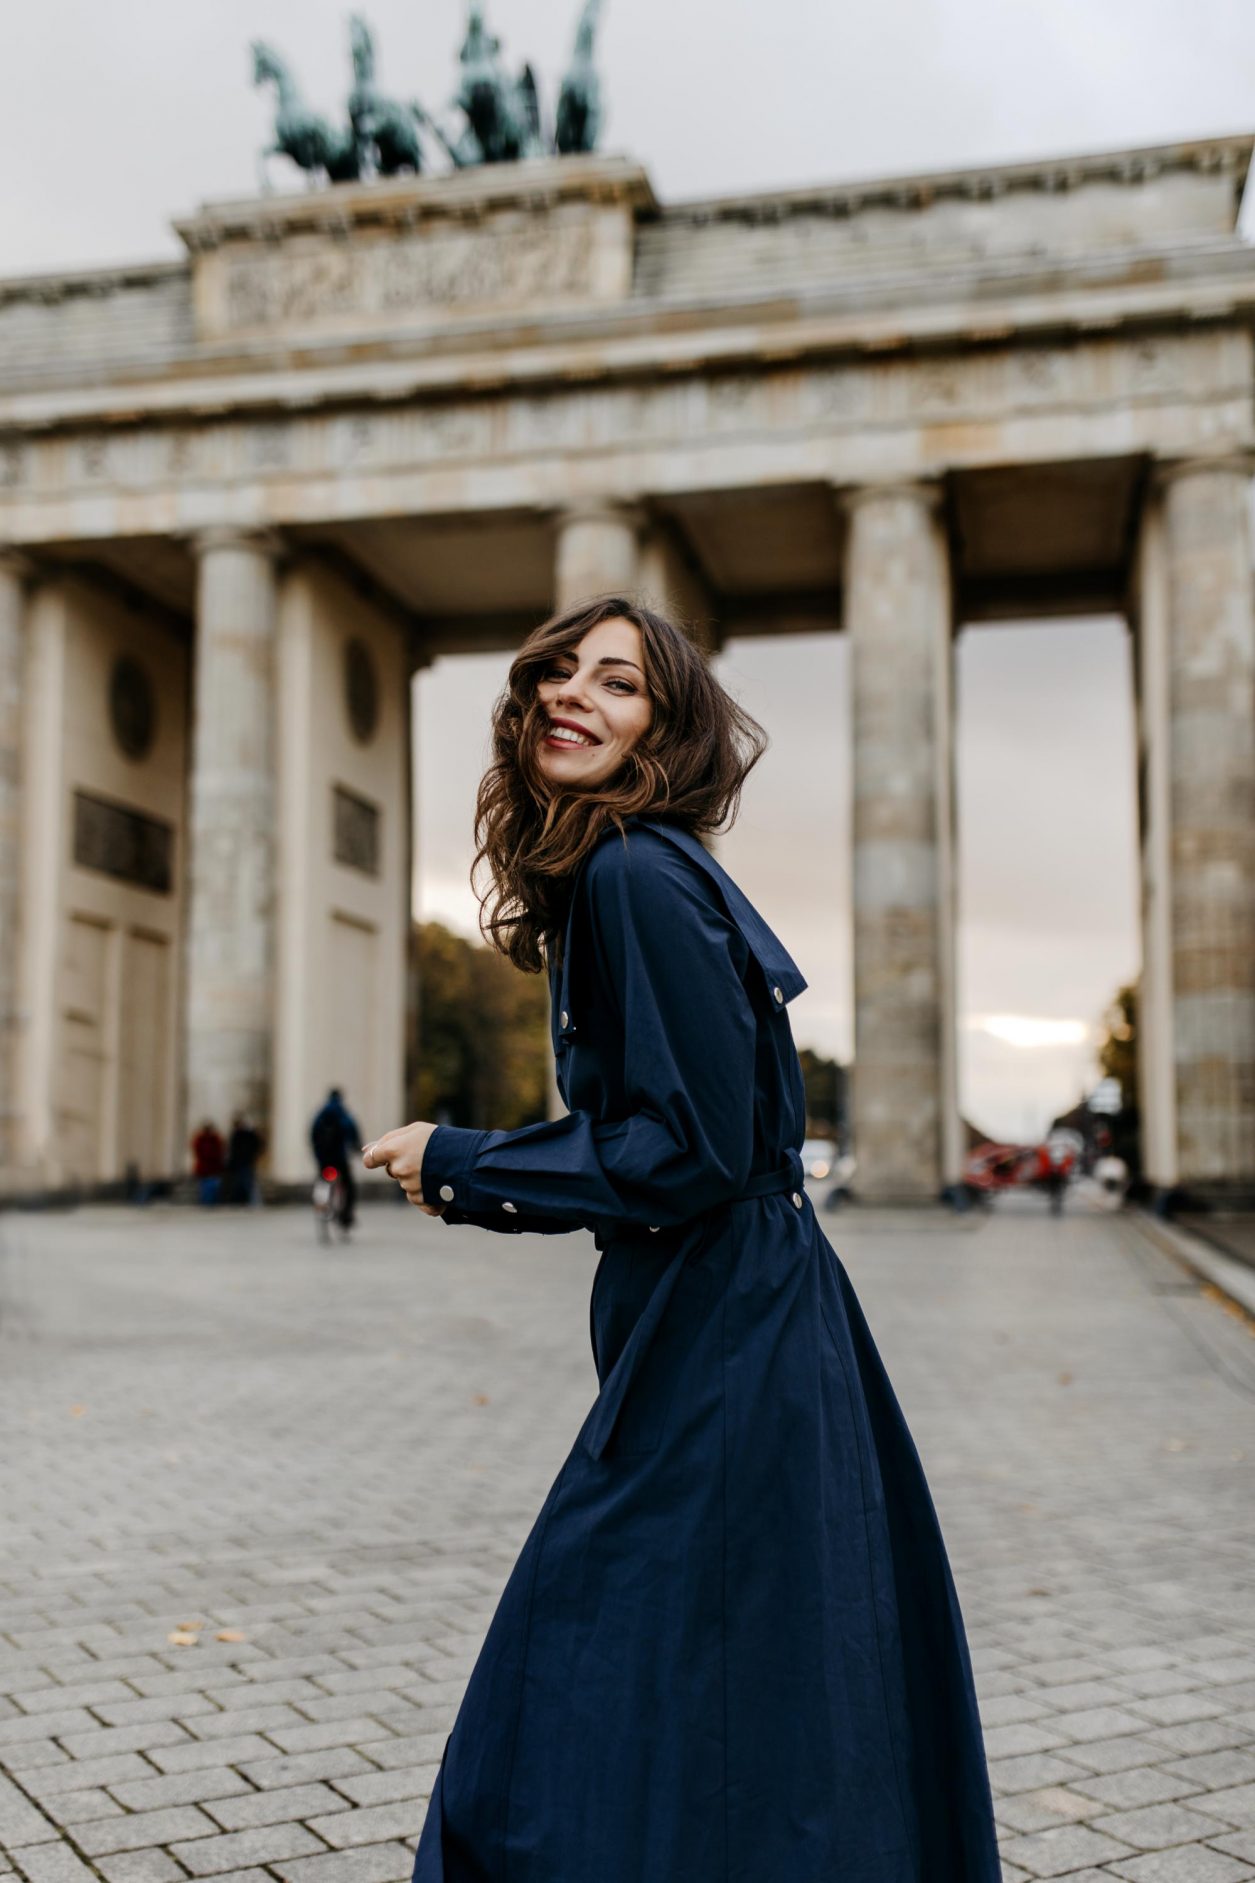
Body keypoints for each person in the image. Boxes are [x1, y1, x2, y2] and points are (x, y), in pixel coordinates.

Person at [363, 597, 1001, 1882]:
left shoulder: (631, 874)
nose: (571, 693)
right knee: (747, 1666)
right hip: (740, 1310)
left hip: (724, 1329)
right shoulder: (638, 870)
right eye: (559, 671)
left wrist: (467, 1160)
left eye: (618, 682)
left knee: (580, 1658)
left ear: (669, 730)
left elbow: (690, 1147)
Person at [310, 1087, 362, 1229]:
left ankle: (321, 1204)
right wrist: (357, 1147)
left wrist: (317, 1153)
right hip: (340, 1158)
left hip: (324, 1159)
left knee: (322, 1180)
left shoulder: (320, 1114)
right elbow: (352, 1131)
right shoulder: (343, 1113)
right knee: (349, 1186)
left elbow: (313, 1135)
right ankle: (346, 1216)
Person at [224, 1115, 264, 1206]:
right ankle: (243, 1201)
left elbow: (235, 1150)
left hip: (245, 1162)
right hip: (242, 1163)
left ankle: (252, 1202)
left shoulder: (247, 1135)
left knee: (247, 1183)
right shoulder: (241, 1135)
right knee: (242, 1183)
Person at [189, 1120, 225, 1207]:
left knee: (211, 1186)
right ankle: (207, 1202)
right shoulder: (202, 1139)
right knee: (207, 1187)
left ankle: (210, 1202)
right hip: (206, 1168)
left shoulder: (214, 1139)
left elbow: (219, 1151)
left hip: (212, 1168)